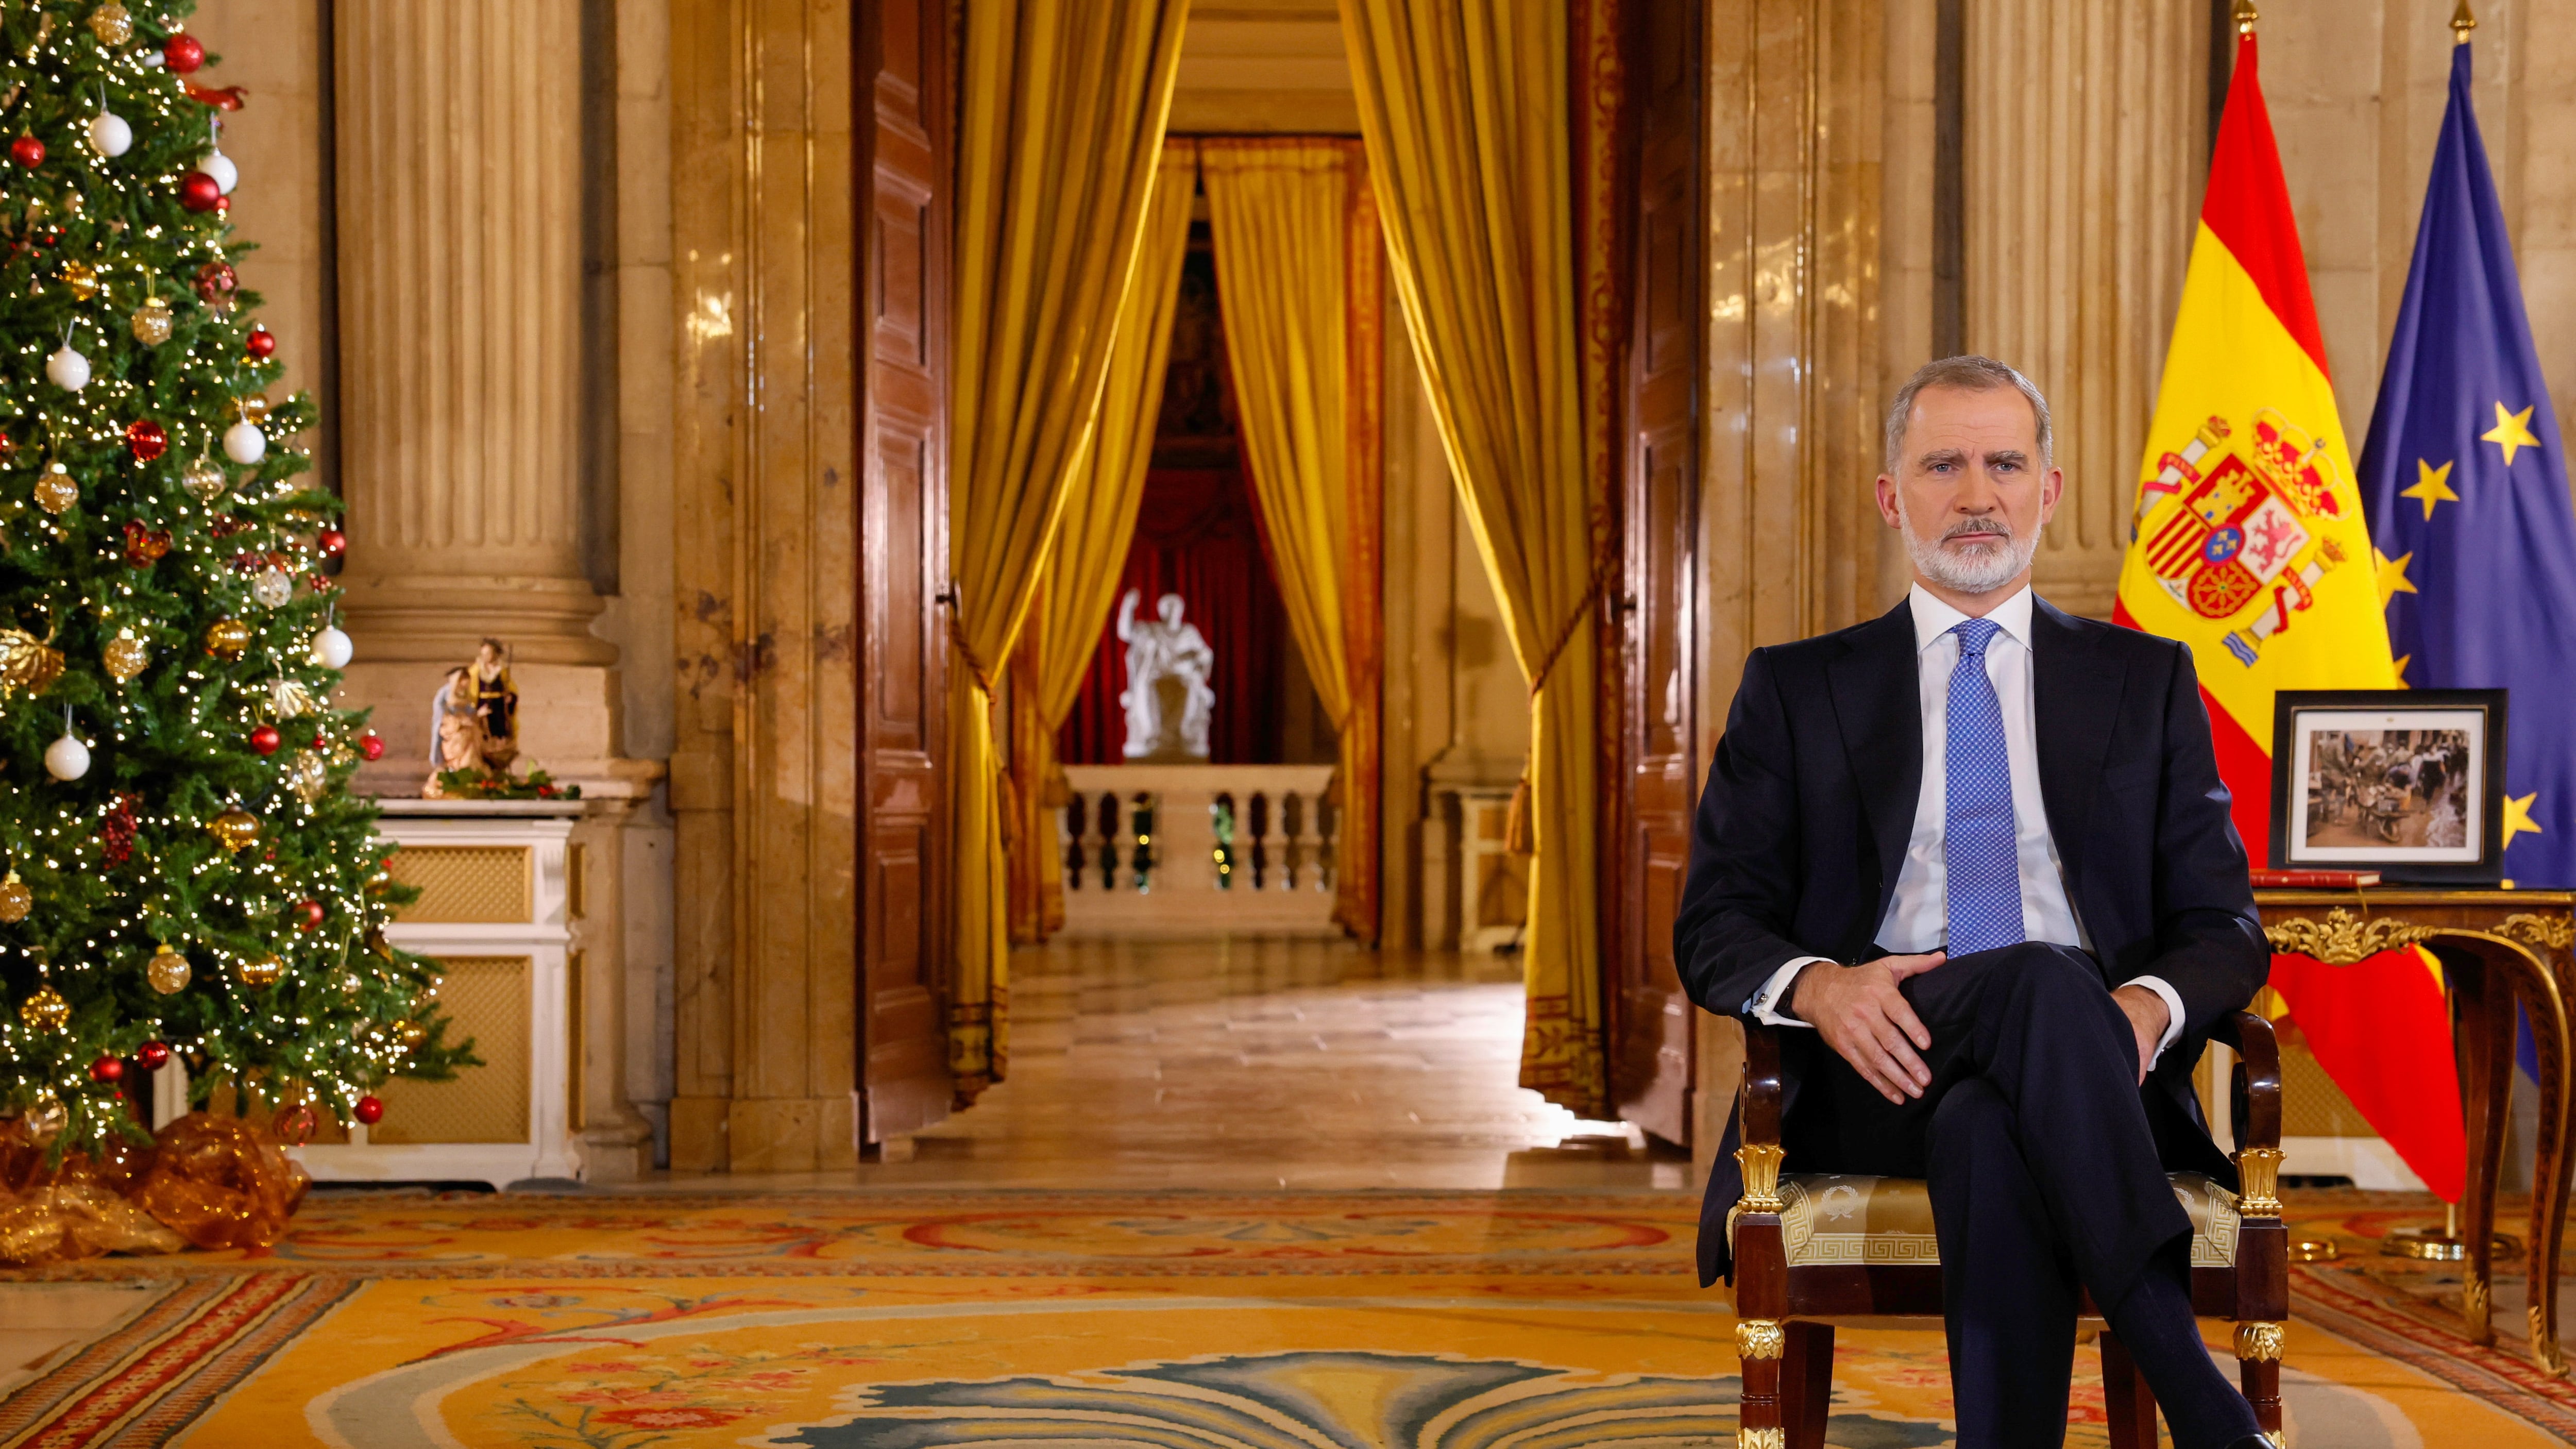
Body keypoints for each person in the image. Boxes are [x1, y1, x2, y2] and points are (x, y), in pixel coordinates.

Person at [1675, 356, 2276, 1449]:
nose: (1974, 493)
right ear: (1890, 494)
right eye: (1941, 464)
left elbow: (2226, 922)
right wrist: (1815, 984)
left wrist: (2139, 1009)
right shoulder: (1796, 686)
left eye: (2004, 462)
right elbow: (1713, 920)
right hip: (1879, 1067)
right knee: (2039, 985)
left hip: (2096, 1075)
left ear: (2048, 490)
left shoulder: (2143, 682)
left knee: (1994, 1116)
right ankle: (2196, 1389)